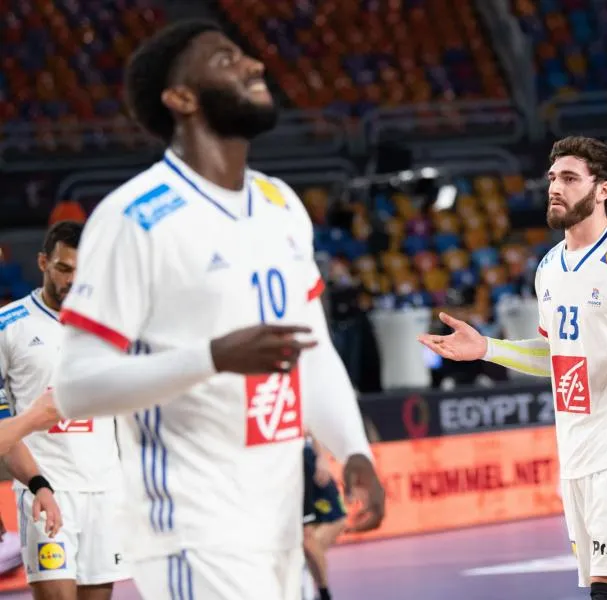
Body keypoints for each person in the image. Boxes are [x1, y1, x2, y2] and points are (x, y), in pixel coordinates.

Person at [50, 20, 385, 600]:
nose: (254, 65)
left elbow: (313, 351)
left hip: (281, 522)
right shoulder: (133, 217)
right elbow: (76, 387)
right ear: (181, 98)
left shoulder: (281, 204)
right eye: (227, 60)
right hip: (192, 527)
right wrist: (212, 357)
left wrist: (353, 447)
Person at [418, 136, 607, 600]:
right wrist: (488, 349)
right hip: (576, 455)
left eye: (570, 178)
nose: (555, 187)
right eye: (553, 178)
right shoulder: (550, 266)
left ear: (603, 190)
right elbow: (557, 356)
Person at [0, 221, 129, 600]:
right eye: (64, 268)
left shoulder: (110, 327)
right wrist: (38, 485)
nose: (74, 280)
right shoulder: (8, 327)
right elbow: (3, 424)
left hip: (105, 491)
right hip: (46, 489)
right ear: (43, 262)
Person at [301, 435, 347, 600]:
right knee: (306, 536)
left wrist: (321, 456)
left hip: (306, 456)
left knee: (338, 520)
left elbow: (313, 422)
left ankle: (306, 567)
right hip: (283, 463)